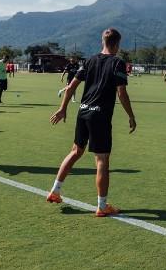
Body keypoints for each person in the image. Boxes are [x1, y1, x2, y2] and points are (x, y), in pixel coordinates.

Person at [47, 28, 137, 217]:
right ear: (116, 44)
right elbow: (121, 92)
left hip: (83, 112)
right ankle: (102, 206)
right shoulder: (118, 62)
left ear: (102, 41)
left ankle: (55, 191)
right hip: (100, 116)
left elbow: (71, 86)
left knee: (75, 151)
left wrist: (63, 108)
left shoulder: (90, 60)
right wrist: (131, 115)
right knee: (102, 159)